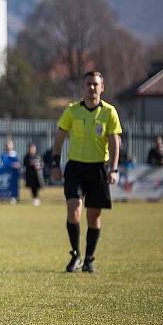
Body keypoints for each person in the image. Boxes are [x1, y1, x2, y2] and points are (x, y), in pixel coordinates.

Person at [52, 71, 121, 274]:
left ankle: (89, 258)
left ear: (102, 87)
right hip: (75, 168)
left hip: (98, 167)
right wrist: (55, 164)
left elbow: (115, 142)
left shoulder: (109, 112)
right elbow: (59, 138)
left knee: (93, 216)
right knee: (74, 209)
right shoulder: (72, 111)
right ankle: (75, 255)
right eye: (88, 84)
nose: (92, 88)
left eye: (95, 84)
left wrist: (114, 169)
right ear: (83, 87)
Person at [1, 140, 21, 204]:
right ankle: (5, 197)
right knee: (5, 186)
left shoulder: (15, 154)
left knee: (15, 186)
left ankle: (14, 198)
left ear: (12, 146)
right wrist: (13, 165)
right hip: (7, 173)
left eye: (10, 145)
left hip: (14, 173)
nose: (8, 146)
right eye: (7, 145)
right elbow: (5, 163)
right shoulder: (4, 154)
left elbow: (18, 163)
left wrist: (16, 164)